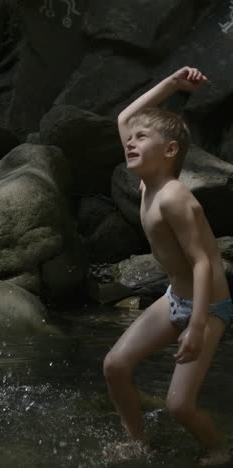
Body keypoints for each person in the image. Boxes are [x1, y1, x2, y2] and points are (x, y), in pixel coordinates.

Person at [103, 66, 233, 466]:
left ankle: (220, 450)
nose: (130, 142)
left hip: (207, 309)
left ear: (171, 151)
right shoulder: (148, 183)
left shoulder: (174, 197)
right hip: (175, 298)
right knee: (115, 365)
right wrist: (172, 85)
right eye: (131, 140)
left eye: (142, 138)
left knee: (180, 405)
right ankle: (138, 441)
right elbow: (125, 118)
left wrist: (195, 328)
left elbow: (202, 262)